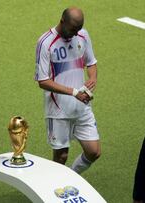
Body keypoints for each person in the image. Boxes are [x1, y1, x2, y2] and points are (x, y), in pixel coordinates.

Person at [34, 7, 100, 174]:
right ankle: (54, 192)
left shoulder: (82, 35)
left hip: (82, 107)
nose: (75, 34)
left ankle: (71, 176)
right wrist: (73, 92)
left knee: (94, 151)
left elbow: (91, 62)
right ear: (62, 21)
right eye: (72, 29)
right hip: (58, 110)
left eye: (78, 29)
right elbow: (43, 81)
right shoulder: (46, 42)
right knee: (61, 157)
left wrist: (92, 78)